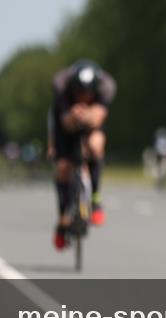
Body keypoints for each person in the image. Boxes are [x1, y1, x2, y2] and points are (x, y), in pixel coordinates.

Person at [49, 59, 116, 250]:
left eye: (87, 93)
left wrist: (88, 115)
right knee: (63, 168)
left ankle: (95, 196)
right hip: (65, 124)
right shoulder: (61, 87)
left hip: (91, 123)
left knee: (96, 145)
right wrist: (74, 115)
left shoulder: (106, 87)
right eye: (79, 92)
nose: (83, 97)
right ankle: (62, 222)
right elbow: (66, 123)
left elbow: (99, 116)